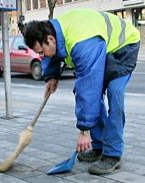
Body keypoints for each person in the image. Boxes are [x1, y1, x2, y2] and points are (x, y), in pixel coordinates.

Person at [22, 9, 140, 175]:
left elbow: (89, 86)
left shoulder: (82, 43)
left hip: (123, 47)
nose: (42, 56)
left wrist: (84, 130)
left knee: (114, 95)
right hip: (102, 45)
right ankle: (99, 146)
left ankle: (113, 154)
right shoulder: (53, 31)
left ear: (50, 39)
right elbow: (53, 54)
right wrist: (51, 76)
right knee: (90, 94)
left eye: (41, 52)